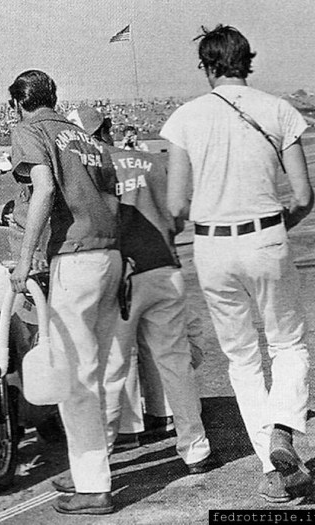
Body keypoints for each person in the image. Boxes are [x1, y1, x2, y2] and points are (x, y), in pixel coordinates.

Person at [162, 24, 314, 503]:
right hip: (267, 237)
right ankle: (286, 426)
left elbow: (177, 205)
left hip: (211, 246)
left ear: (207, 67)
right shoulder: (279, 110)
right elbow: (305, 196)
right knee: (288, 344)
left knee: (243, 359)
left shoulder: (185, 119)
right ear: (248, 61)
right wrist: (273, 228)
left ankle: (274, 468)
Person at [50, 107, 217, 494]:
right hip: (165, 268)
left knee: (112, 369)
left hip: (124, 276)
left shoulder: (93, 169)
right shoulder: (150, 159)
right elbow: (177, 214)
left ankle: (99, 459)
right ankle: (196, 448)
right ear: (109, 127)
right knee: (175, 363)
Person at [7, 70, 120, 515]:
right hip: (109, 254)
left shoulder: (28, 130)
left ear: (17, 103)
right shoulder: (82, 135)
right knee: (100, 371)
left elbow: (43, 189)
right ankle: (93, 468)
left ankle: (93, 485)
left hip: (74, 258)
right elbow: (112, 198)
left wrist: (25, 256)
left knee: (74, 379)